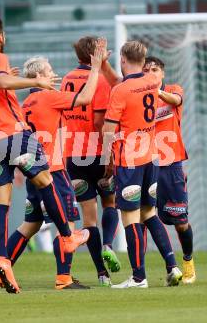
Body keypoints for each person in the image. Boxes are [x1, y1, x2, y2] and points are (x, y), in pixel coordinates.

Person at [0, 16, 89, 294]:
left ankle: (3, 260)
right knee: (46, 181)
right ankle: (68, 237)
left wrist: (0, 87)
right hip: (13, 135)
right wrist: (31, 81)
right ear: (1, 37)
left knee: (1, 204)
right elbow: (3, 81)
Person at [0, 49, 104, 290]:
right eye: (49, 71)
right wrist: (95, 68)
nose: (53, 74)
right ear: (39, 76)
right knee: (66, 223)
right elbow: (86, 99)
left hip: (32, 172)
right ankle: (63, 278)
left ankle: (2, 267)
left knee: (30, 225)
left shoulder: (24, 104)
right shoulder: (49, 96)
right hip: (53, 172)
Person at [102, 41, 182, 288]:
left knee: (131, 217)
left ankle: (138, 277)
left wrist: (107, 162)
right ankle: (173, 266)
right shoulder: (152, 83)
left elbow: (108, 130)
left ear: (124, 59)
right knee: (149, 212)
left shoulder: (121, 90)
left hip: (130, 160)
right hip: (152, 157)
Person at [61, 36, 120, 287]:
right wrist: (110, 155)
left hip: (73, 156)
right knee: (110, 203)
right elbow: (99, 123)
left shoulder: (66, 80)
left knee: (88, 220)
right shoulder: (100, 81)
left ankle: (101, 274)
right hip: (97, 153)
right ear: (96, 55)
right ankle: (108, 244)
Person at [143, 56, 195, 284]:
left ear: (162, 73)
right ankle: (142, 273)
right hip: (145, 163)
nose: (150, 73)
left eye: (154, 69)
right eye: (146, 70)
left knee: (180, 221)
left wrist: (155, 91)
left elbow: (175, 99)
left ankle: (188, 262)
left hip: (171, 164)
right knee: (143, 216)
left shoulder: (172, 89)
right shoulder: (139, 99)